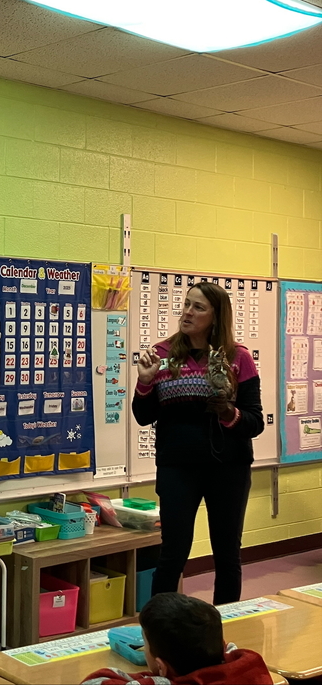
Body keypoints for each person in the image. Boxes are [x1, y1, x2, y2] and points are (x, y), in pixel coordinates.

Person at [133, 282, 263, 605]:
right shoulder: (162, 355)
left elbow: (254, 422)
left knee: (227, 554)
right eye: (186, 304)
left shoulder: (239, 358)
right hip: (178, 466)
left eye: (198, 307)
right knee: (172, 553)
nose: (188, 313)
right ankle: (158, 632)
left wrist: (227, 412)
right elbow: (142, 415)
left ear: (216, 317)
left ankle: (225, 628)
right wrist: (146, 381)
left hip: (228, 468)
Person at [81, 593, 273, 684]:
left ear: (161, 667)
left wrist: (151, 675)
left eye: (145, 643)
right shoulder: (249, 667)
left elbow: (96, 682)